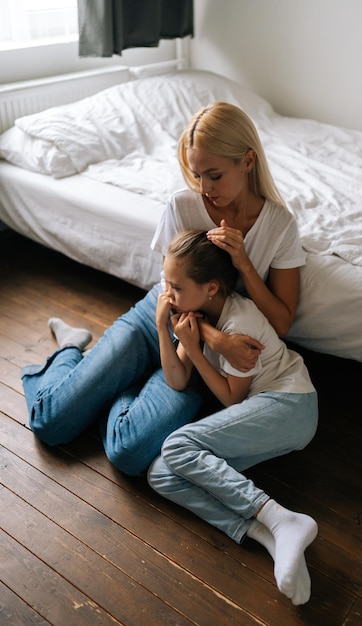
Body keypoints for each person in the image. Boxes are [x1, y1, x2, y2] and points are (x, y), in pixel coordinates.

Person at [22, 101, 307, 477]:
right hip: (158, 318)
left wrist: (244, 263)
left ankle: (123, 381)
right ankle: (70, 349)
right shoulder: (183, 205)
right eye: (197, 174)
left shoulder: (279, 225)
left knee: (131, 452)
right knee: (50, 423)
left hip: (201, 355)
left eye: (215, 175)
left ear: (248, 161)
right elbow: (170, 295)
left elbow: (282, 321)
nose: (205, 188)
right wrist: (216, 339)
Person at [148, 228, 318, 606]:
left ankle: (280, 518)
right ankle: (270, 535)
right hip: (272, 411)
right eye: (166, 282)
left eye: (174, 286)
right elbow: (176, 380)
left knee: (178, 444)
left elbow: (230, 398)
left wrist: (193, 346)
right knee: (161, 472)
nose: (166, 294)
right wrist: (164, 328)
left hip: (290, 403)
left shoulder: (239, 324)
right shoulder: (193, 314)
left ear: (210, 287)